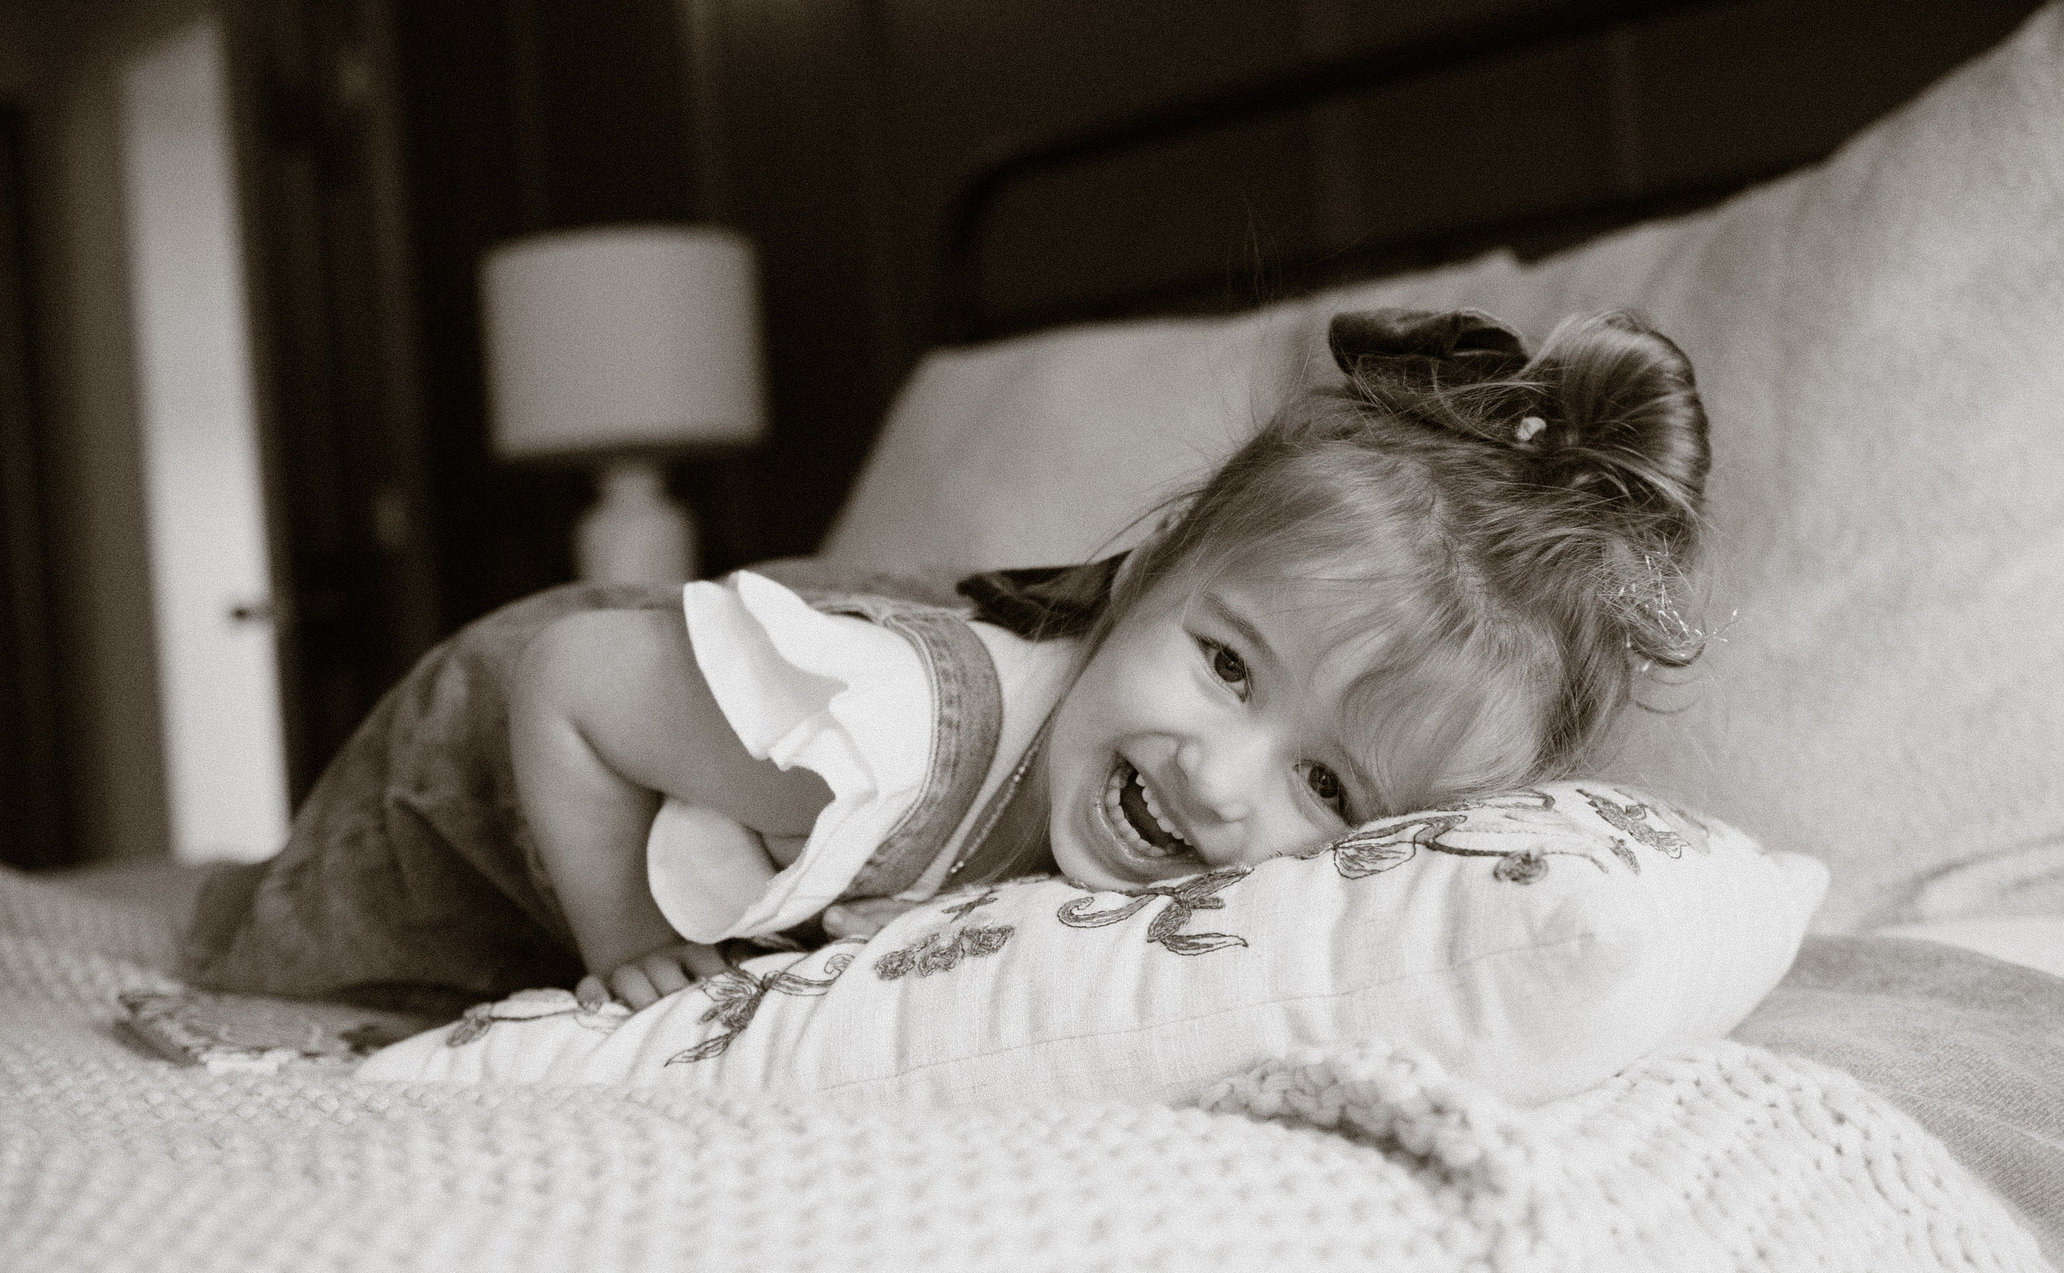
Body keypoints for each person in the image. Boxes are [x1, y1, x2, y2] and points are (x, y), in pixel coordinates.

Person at [512, 306, 1712, 1010]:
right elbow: (567, 679)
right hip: (481, 808)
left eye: (1331, 786)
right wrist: (627, 956)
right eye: (1229, 667)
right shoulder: (891, 740)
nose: (1223, 783)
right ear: (1143, 575)